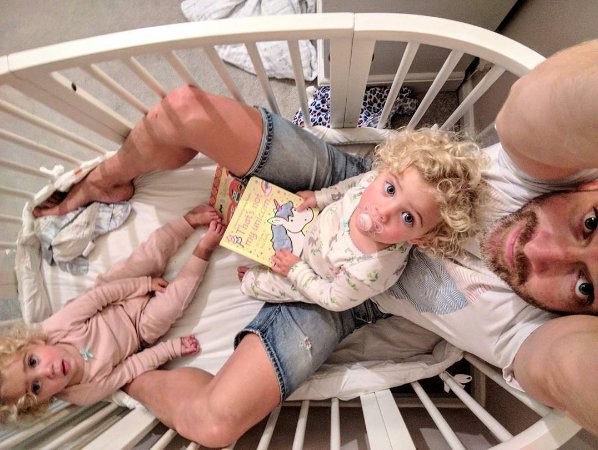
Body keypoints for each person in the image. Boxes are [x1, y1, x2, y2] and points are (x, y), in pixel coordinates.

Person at [32, 39, 598, 445]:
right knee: (184, 110)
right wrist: (328, 197)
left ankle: (131, 378)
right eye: (591, 225)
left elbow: (575, 371)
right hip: (355, 193)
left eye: (584, 285)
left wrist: (287, 273)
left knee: (213, 422)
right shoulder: (532, 172)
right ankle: (107, 179)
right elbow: (548, 105)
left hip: (347, 290)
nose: (543, 254)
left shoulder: (539, 337)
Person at [0, 204, 224, 423]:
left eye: (33, 362)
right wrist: (171, 349)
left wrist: (143, 284)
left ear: (34, 343)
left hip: (115, 292)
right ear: (43, 402)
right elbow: (129, 369)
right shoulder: (83, 393)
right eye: (36, 387)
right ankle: (204, 249)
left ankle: (187, 222)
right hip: (139, 330)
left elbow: (99, 297)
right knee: (172, 304)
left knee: (148, 255)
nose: (46, 372)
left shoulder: (54, 329)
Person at [238, 127, 488, 311]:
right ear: (384, 171)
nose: (383, 211)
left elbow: (331, 299)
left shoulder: (369, 271)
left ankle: (251, 281)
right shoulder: (372, 182)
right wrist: (320, 197)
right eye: (390, 189)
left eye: (407, 217)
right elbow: (350, 186)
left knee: (266, 284)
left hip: (316, 274)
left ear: (421, 238)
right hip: (316, 229)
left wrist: (296, 271)